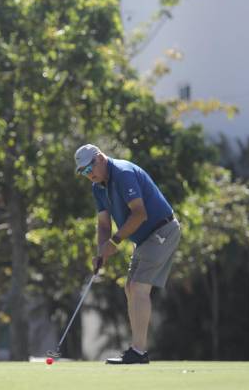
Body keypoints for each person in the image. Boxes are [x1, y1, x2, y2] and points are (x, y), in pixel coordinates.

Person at [74, 144, 181, 365]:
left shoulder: (123, 173)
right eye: (83, 172)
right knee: (130, 287)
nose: (89, 175)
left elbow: (140, 214)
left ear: (101, 158)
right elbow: (104, 224)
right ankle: (137, 350)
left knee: (138, 287)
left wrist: (115, 242)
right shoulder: (98, 187)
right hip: (144, 239)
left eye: (89, 168)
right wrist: (101, 251)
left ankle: (138, 352)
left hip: (162, 230)